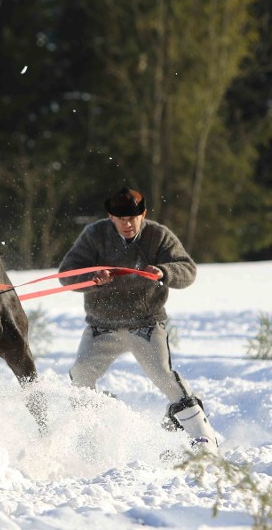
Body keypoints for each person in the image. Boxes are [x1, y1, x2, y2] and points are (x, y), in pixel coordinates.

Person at [58, 187, 220, 452]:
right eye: (121, 218)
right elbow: (67, 275)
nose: (127, 223)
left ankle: (204, 439)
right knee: (80, 376)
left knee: (165, 377)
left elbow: (188, 270)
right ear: (110, 217)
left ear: (143, 214)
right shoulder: (94, 235)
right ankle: (98, 430)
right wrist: (92, 279)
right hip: (102, 328)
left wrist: (164, 272)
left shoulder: (158, 235)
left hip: (145, 324)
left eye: (133, 217)